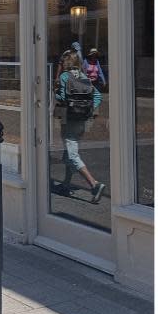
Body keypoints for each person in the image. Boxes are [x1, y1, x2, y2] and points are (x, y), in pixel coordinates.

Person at [55, 49, 106, 203]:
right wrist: (89, 110)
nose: (62, 63)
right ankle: (66, 184)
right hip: (82, 120)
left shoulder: (64, 76)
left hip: (68, 119)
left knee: (72, 154)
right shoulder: (84, 77)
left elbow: (62, 97)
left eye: (63, 61)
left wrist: (56, 93)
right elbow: (98, 95)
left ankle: (94, 184)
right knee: (69, 150)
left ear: (66, 62)